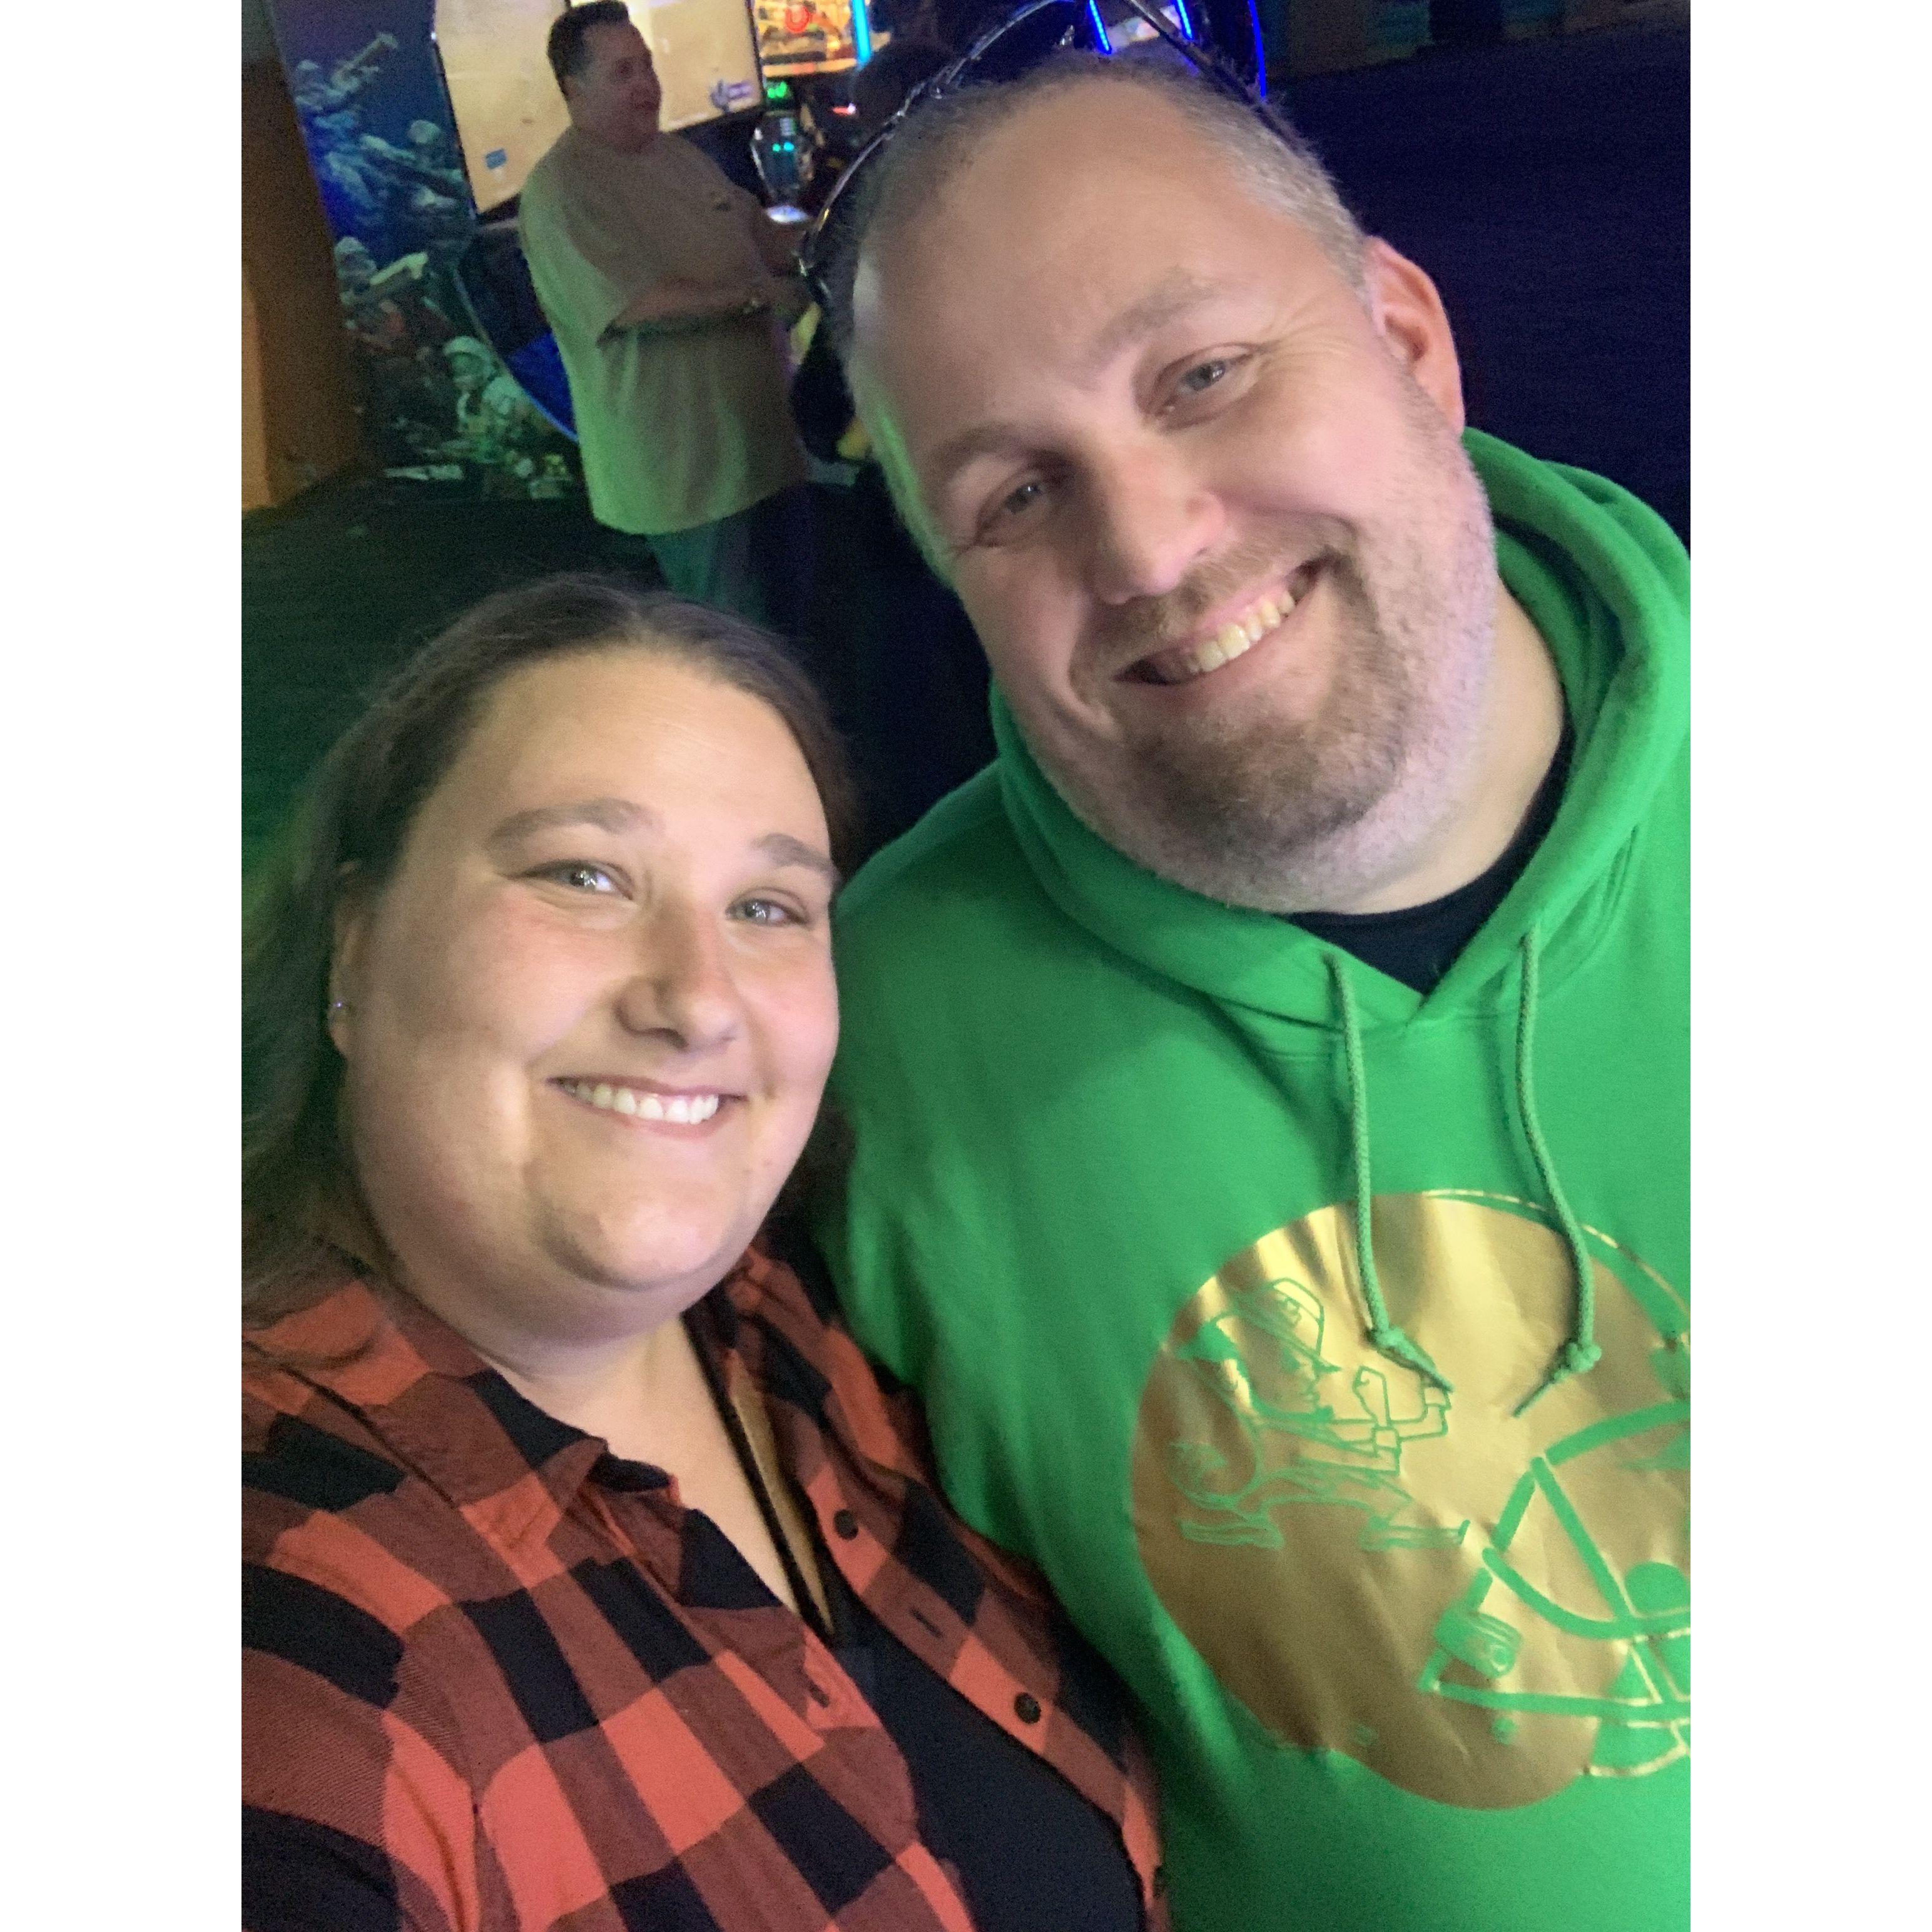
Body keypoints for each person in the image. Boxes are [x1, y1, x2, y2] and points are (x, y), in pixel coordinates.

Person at [810, 37, 1689, 1932]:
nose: (1149, 548)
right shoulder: (844, 1055)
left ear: (1407, 338)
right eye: (1014, 494)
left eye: (1202, 376)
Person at [241, 577, 1165, 1931]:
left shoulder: (795, 1322)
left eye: (770, 906)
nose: (695, 998)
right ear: (356, 938)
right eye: (583, 875)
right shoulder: (289, 1608)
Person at [519, 4, 815, 631]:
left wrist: (832, 234)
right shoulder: (561, 191)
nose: (645, 85)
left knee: (799, 622)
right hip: (688, 480)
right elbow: (640, 305)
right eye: (622, 72)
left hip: (761, 447)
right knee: (735, 643)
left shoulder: (678, 156)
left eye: (647, 66)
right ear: (573, 89)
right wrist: (758, 295)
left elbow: (760, 235)